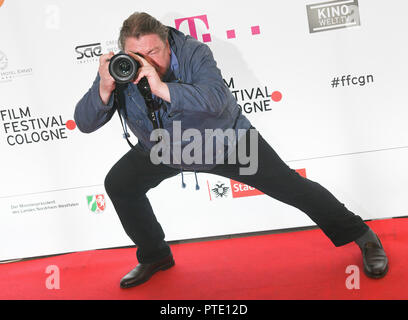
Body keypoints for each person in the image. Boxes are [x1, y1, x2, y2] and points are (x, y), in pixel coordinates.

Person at [74, 12, 388, 288]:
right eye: (136, 54)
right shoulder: (121, 69)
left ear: (167, 42)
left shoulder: (195, 52)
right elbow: (85, 123)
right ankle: (155, 256)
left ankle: (363, 236)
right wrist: (104, 88)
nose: (146, 61)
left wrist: (160, 87)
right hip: (164, 147)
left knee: (293, 188)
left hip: (225, 142)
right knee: (120, 184)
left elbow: (215, 101)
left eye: (154, 51)